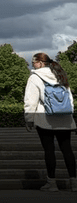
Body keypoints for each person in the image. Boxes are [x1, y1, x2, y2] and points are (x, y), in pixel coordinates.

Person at [24, 52, 76, 192]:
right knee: (67, 150)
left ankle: (51, 183)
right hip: (65, 119)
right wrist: (70, 115)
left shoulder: (35, 77)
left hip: (45, 119)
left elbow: (30, 101)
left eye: (34, 62)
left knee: (49, 151)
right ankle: (74, 182)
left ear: (40, 63)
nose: (32, 65)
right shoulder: (59, 74)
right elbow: (69, 97)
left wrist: (29, 119)